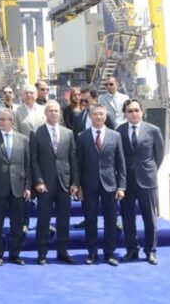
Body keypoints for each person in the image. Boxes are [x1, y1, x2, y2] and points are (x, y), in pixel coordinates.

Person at [74, 103, 126, 266]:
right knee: (90, 219)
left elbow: (120, 163)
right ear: (90, 117)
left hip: (110, 184)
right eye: (95, 114)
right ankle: (92, 252)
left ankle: (109, 253)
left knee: (110, 220)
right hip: (88, 184)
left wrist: (121, 186)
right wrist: (77, 185)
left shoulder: (115, 136)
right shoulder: (82, 136)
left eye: (101, 114)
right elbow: (77, 163)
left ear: (105, 116)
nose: (98, 117)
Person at [117, 99, 165, 265]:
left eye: (136, 110)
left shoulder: (153, 130)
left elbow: (159, 156)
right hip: (126, 181)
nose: (134, 114)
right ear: (125, 114)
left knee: (149, 218)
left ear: (142, 112)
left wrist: (149, 171)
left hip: (147, 180)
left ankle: (150, 251)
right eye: (130, 111)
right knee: (127, 218)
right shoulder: (119, 131)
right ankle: (132, 250)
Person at [31, 101, 78, 265]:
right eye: (50, 110)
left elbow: (73, 159)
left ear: (60, 113)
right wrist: (38, 180)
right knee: (43, 220)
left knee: (64, 220)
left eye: (56, 111)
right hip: (45, 184)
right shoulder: (37, 133)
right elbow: (34, 160)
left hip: (64, 183)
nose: (53, 113)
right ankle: (42, 253)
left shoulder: (68, 133)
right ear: (45, 113)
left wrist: (75, 182)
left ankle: (62, 251)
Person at [0, 108, 31, 266]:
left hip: (18, 187)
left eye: (3, 119)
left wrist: (28, 186)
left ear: (12, 121)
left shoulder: (23, 140)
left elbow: (28, 165)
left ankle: (14, 253)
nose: (0, 122)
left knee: (17, 223)